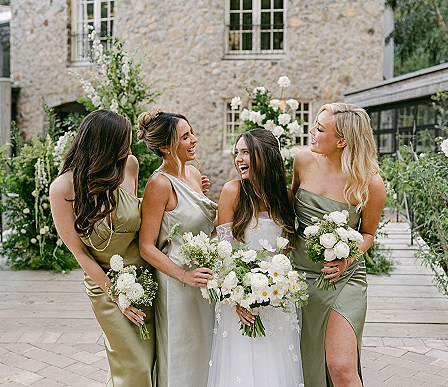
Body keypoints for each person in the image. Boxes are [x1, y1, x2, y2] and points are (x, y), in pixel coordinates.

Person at [49, 109, 155, 387]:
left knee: (150, 361)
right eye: (124, 142)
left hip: (145, 279)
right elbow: (79, 253)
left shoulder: (129, 165)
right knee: (136, 365)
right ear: (105, 144)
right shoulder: (63, 188)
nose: (129, 148)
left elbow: (137, 210)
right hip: (103, 284)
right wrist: (116, 294)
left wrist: (186, 194)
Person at [291, 103, 386, 387]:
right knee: (304, 359)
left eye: (320, 129)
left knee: (341, 366)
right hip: (300, 274)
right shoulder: (302, 161)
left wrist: (347, 259)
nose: (312, 132)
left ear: (342, 141)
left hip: (343, 276)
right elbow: (287, 207)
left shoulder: (370, 183)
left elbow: (367, 233)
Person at [208, 129, 304, 387]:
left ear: (266, 156)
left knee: (276, 372)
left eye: (246, 152)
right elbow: (223, 252)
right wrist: (237, 298)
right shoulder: (233, 191)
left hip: (277, 301)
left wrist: (276, 288)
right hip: (239, 304)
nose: (239, 159)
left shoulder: (285, 195)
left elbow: (285, 249)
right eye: (237, 153)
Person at [137, 108, 217, 387]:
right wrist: (184, 276)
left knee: (207, 353)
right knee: (181, 355)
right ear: (165, 147)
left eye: (191, 132)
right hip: (178, 283)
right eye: (185, 137)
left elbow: (194, 219)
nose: (194, 139)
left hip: (205, 278)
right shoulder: (158, 185)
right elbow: (147, 247)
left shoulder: (195, 174)